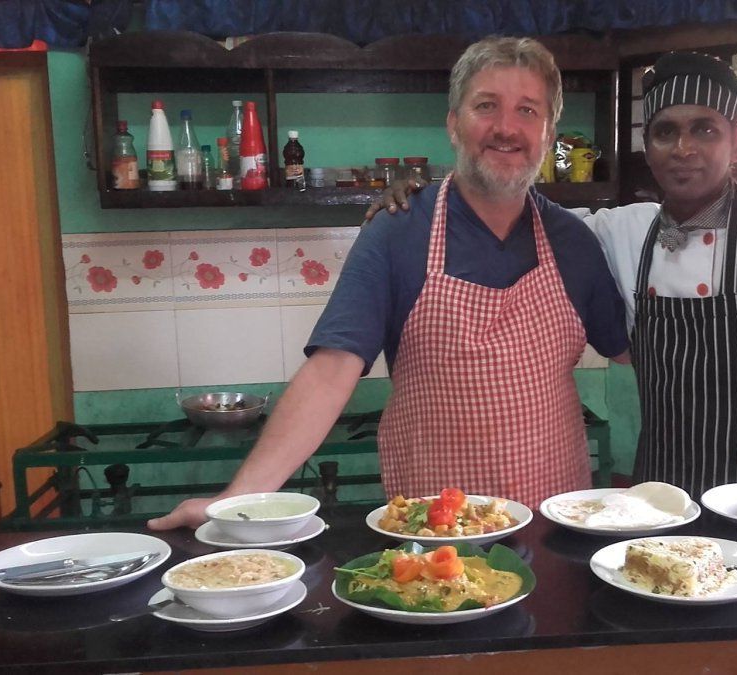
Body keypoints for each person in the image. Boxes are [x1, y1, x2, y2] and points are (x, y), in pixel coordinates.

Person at [365, 52, 737, 498]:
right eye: (666, 131)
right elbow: (512, 214)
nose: (683, 148)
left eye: (705, 130)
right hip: (657, 499)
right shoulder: (620, 231)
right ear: (647, 145)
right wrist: (424, 197)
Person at [148, 37, 628, 530]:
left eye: (527, 110)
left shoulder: (574, 242)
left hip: (554, 528)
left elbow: (636, 353)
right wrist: (236, 500)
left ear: (548, 134)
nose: (506, 127)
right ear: (453, 124)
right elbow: (330, 373)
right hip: (435, 538)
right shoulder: (398, 231)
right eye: (486, 106)